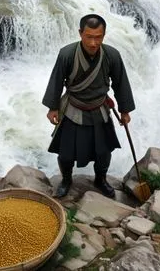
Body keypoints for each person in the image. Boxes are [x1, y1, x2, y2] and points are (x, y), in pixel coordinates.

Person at [42, 14, 135, 199]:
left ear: (104, 35)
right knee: (66, 154)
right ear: (80, 34)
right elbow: (56, 80)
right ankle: (66, 180)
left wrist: (125, 111)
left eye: (98, 37)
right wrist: (52, 108)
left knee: (103, 152)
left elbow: (120, 83)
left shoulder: (112, 55)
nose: (93, 43)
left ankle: (101, 180)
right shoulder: (67, 54)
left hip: (99, 109)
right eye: (89, 36)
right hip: (73, 109)